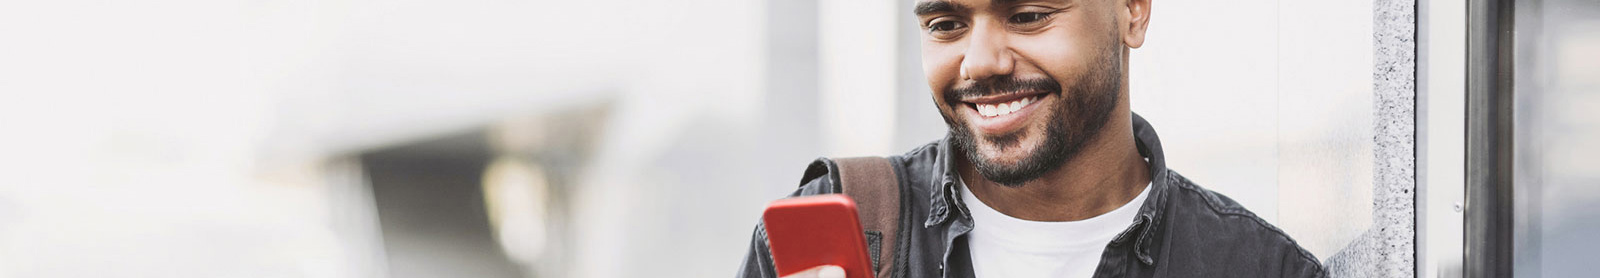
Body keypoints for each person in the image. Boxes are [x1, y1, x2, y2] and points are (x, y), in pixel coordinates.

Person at [738, 0, 1324, 277]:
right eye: (946, 25)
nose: (980, 62)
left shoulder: (1258, 269)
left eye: (1028, 15)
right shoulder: (832, 238)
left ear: (1132, 11)